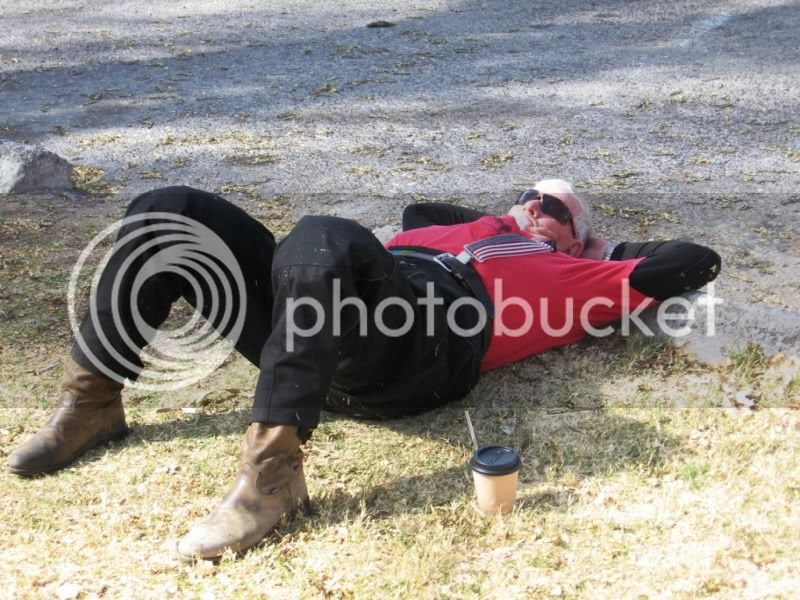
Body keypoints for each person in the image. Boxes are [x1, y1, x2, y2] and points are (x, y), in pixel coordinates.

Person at [7, 180, 721, 561]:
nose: (540, 208)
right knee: (171, 210)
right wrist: (495, 221)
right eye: (532, 197)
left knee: (323, 235)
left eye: (559, 209)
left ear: (576, 234)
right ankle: (92, 402)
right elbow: (417, 210)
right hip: (323, 325)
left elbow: (689, 261)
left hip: (427, 350)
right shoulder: (439, 231)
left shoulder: (575, 273)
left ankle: (270, 479)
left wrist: (603, 248)